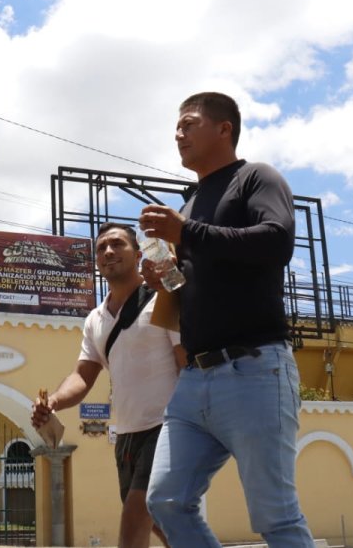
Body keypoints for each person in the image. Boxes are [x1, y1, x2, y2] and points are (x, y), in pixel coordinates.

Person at [138, 92, 312, 548]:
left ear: (224, 129)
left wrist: (186, 233)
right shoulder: (191, 203)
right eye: (176, 127)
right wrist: (164, 279)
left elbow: (276, 241)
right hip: (194, 380)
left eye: (189, 123)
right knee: (166, 501)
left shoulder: (257, 178)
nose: (178, 133)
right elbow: (195, 280)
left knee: (276, 516)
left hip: (254, 368)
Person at [32, 223, 185, 548]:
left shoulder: (163, 297)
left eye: (117, 244)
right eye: (101, 248)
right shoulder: (95, 320)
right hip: (127, 436)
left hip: (167, 427)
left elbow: (183, 359)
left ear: (138, 253)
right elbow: (83, 376)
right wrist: (55, 402)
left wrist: (194, 421)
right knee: (163, 524)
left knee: (134, 519)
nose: (108, 252)